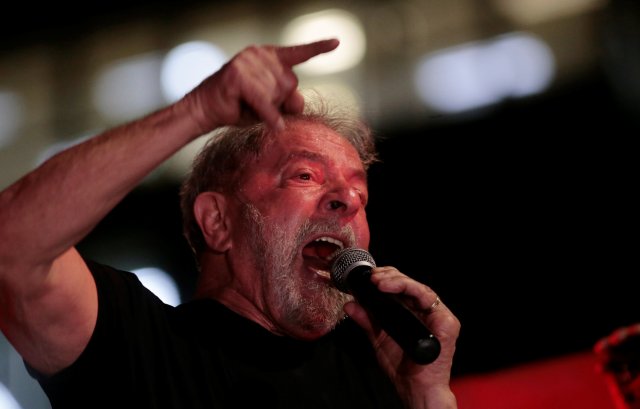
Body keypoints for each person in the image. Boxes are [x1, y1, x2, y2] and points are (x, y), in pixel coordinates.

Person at [0, 38, 460, 408]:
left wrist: (426, 397)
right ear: (218, 221)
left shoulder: (387, 379)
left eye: (361, 193)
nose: (347, 200)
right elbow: (11, 245)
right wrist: (197, 111)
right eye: (304, 175)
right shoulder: (140, 346)